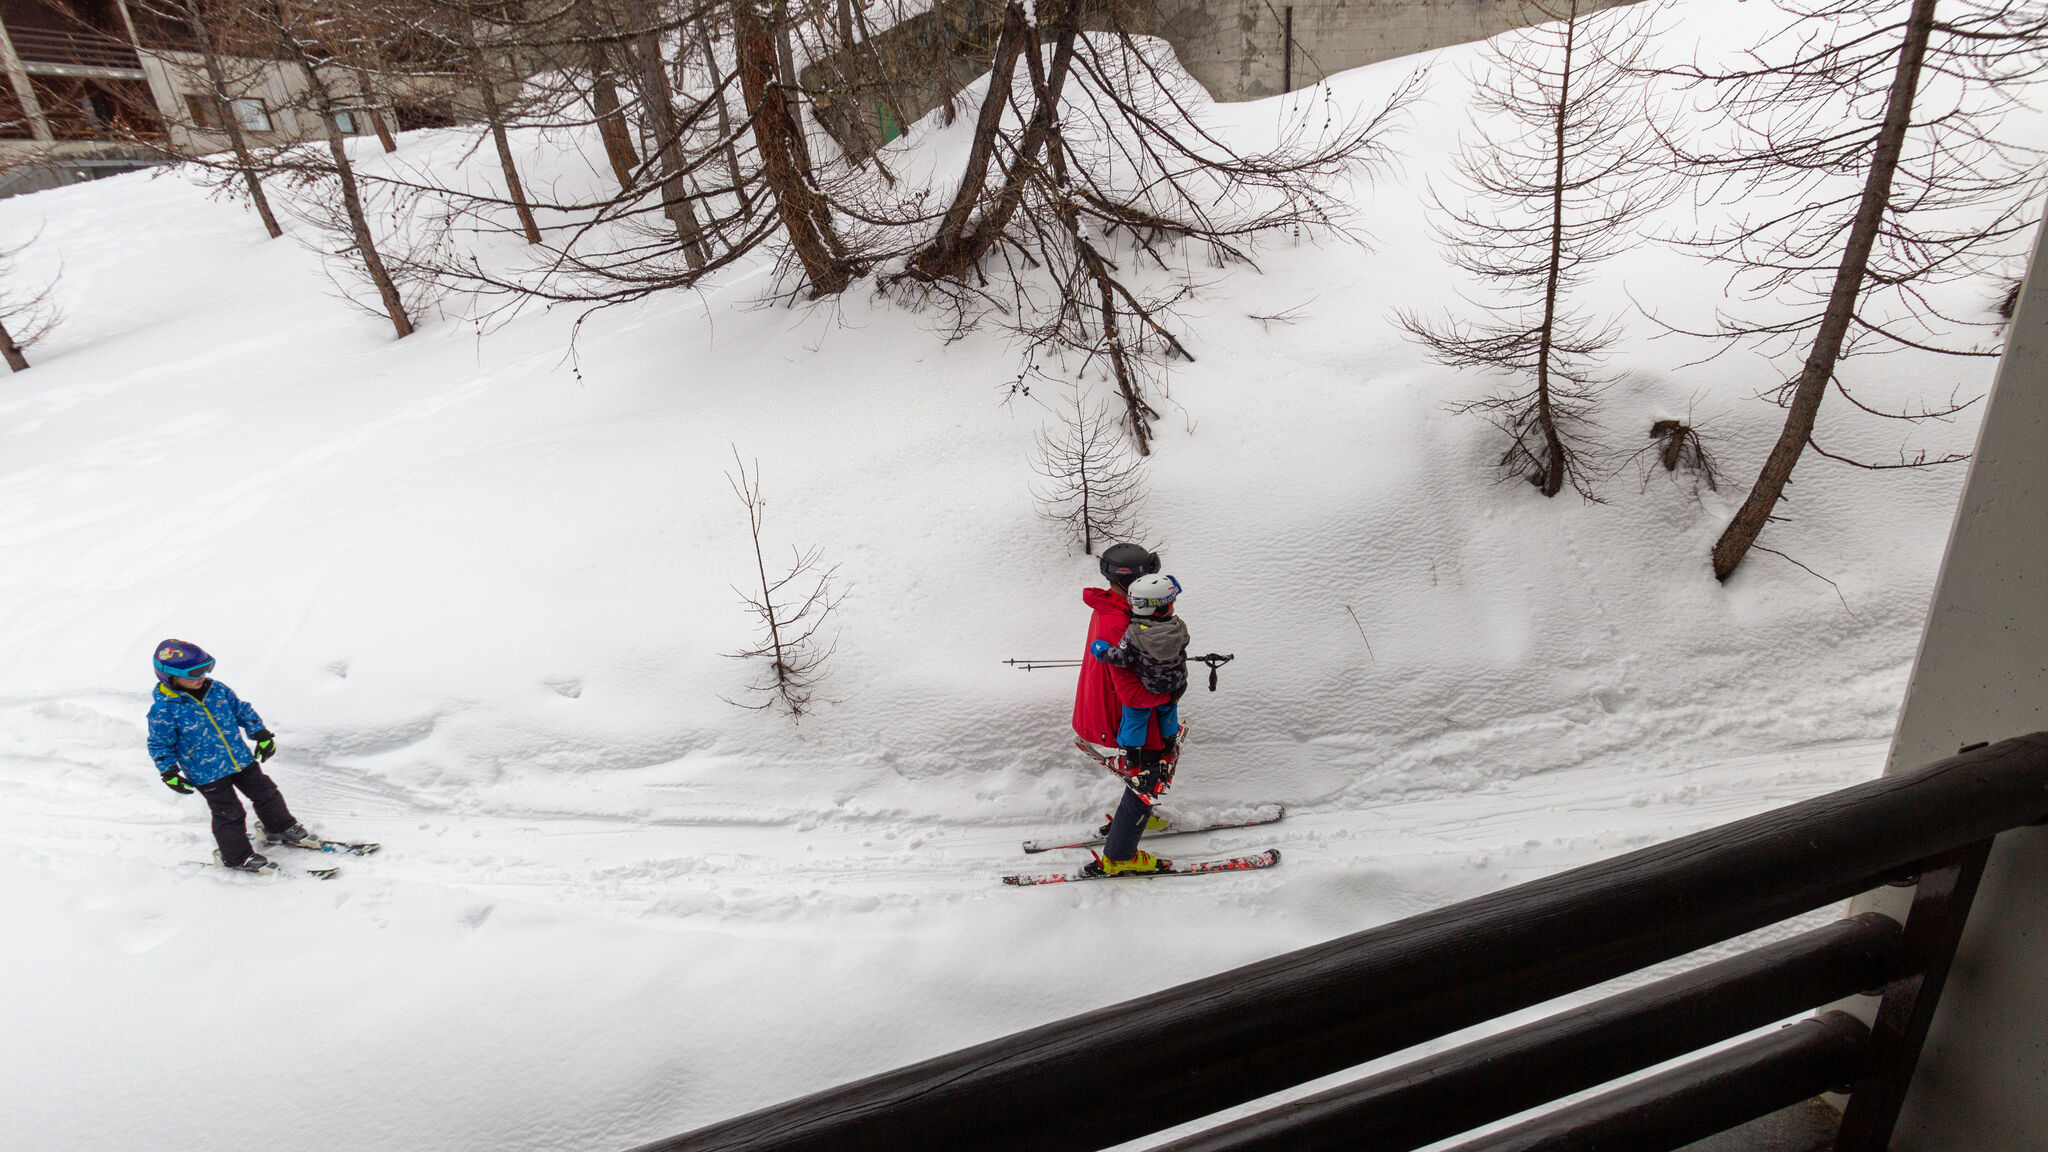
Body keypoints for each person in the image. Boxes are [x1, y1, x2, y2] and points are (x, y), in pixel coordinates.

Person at [147, 639, 317, 874]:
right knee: (230, 813)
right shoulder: (164, 710)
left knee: (266, 793)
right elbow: (159, 743)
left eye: (206, 669)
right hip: (206, 773)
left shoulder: (217, 689)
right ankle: (236, 856)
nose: (202, 676)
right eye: (194, 673)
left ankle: (279, 827)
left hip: (240, 759)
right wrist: (168, 771)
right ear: (170, 677)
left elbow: (241, 710)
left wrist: (260, 733)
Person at [1072, 544, 1182, 876]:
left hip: (1124, 706)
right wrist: (1168, 695)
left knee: (1151, 766)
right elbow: (1128, 687)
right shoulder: (1120, 621)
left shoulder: (1116, 607)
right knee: (1147, 774)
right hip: (1126, 710)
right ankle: (1119, 856)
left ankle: (1137, 815)